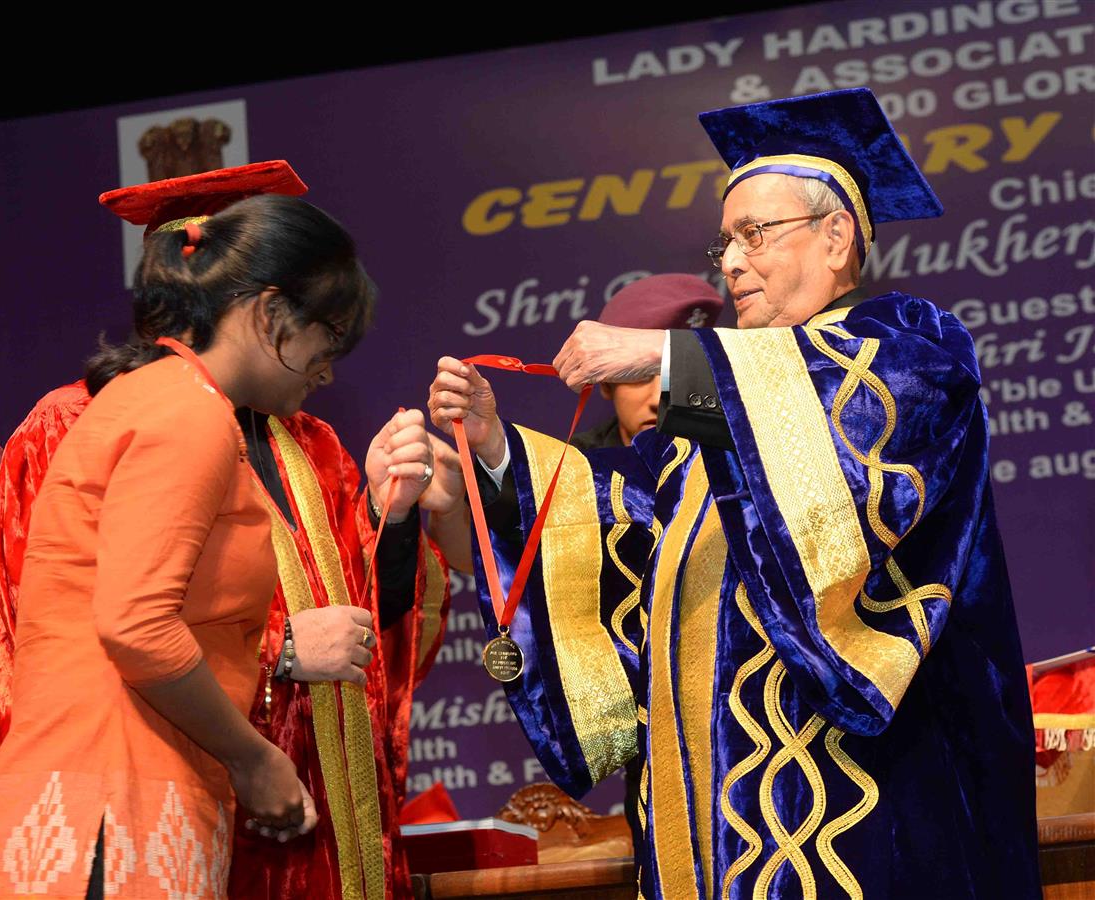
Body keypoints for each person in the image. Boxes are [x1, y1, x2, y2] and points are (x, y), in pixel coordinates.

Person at [429, 88, 1039, 899]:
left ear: (836, 237)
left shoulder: (911, 350)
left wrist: (668, 357)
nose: (734, 262)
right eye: (725, 242)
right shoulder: (715, 412)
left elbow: (832, 432)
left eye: (757, 233)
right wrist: (498, 448)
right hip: (701, 817)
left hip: (866, 803)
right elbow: (623, 514)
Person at [0, 161, 461, 899]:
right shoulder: (151, 412)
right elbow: (113, 624)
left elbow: (372, 625)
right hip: (121, 780)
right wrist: (272, 696)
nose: (327, 373)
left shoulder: (306, 442)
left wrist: (389, 519)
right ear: (264, 307)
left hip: (209, 786)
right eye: (324, 338)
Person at [569, 274, 721, 451]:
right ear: (605, 384)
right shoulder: (574, 469)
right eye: (640, 375)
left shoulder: (741, 463)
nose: (658, 399)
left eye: (678, 373)